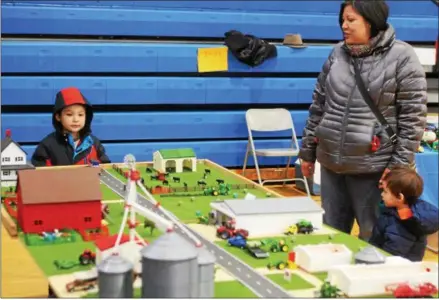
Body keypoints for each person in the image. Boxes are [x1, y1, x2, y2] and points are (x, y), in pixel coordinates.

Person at [298, 0, 427, 240]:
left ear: (371, 21)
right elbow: (318, 105)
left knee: (373, 237)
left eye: (351, 20)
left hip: (374, 169)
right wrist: (308, 151)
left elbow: (413, 117)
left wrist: (397, 166)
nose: (344, 26)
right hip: (331, 164)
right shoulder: (337, 53)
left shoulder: (402, 56)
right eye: (343, 20)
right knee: (331, 234)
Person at [369, 167, 438, 261]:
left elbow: (392, 255)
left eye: (385, 192)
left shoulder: (404, 224)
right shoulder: (395, 211)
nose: (382, 195)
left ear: (400, 197)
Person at [31, 87, 110, 166]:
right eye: (69, 114)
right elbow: (39, 174)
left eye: (80, 115)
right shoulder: (47, 145)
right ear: (58, 116)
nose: (76, 119)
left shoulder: (94, 143)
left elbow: (106, 169)